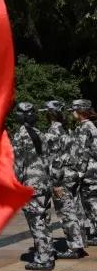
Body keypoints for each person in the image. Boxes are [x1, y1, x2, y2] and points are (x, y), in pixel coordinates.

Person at [11, 102, 55, 271]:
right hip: (44, 183)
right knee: (44, 220)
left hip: (31, 185)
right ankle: (48, 253)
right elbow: (48, 159)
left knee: (36, 222)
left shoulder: (20, 135)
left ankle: (43, 260)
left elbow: (18, 164)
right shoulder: (39, 133)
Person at [42, 101, 87, 259]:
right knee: (74, 210)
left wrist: (56, 183)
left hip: (62, 178)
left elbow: (56, 159)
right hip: (71, 175)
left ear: (49, 114)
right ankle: (79, 244)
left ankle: (75, 248)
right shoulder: (65, 129)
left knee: (66, 213)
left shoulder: (53, 131)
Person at [73, 99, 97, 245]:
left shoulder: (84, 127)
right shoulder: (91, 126)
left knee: (91, 203)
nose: (73, 113)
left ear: (81, 111)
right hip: (93, 169)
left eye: (74, 110)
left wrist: (79, 172)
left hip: (89, 171)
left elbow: (83, 152)